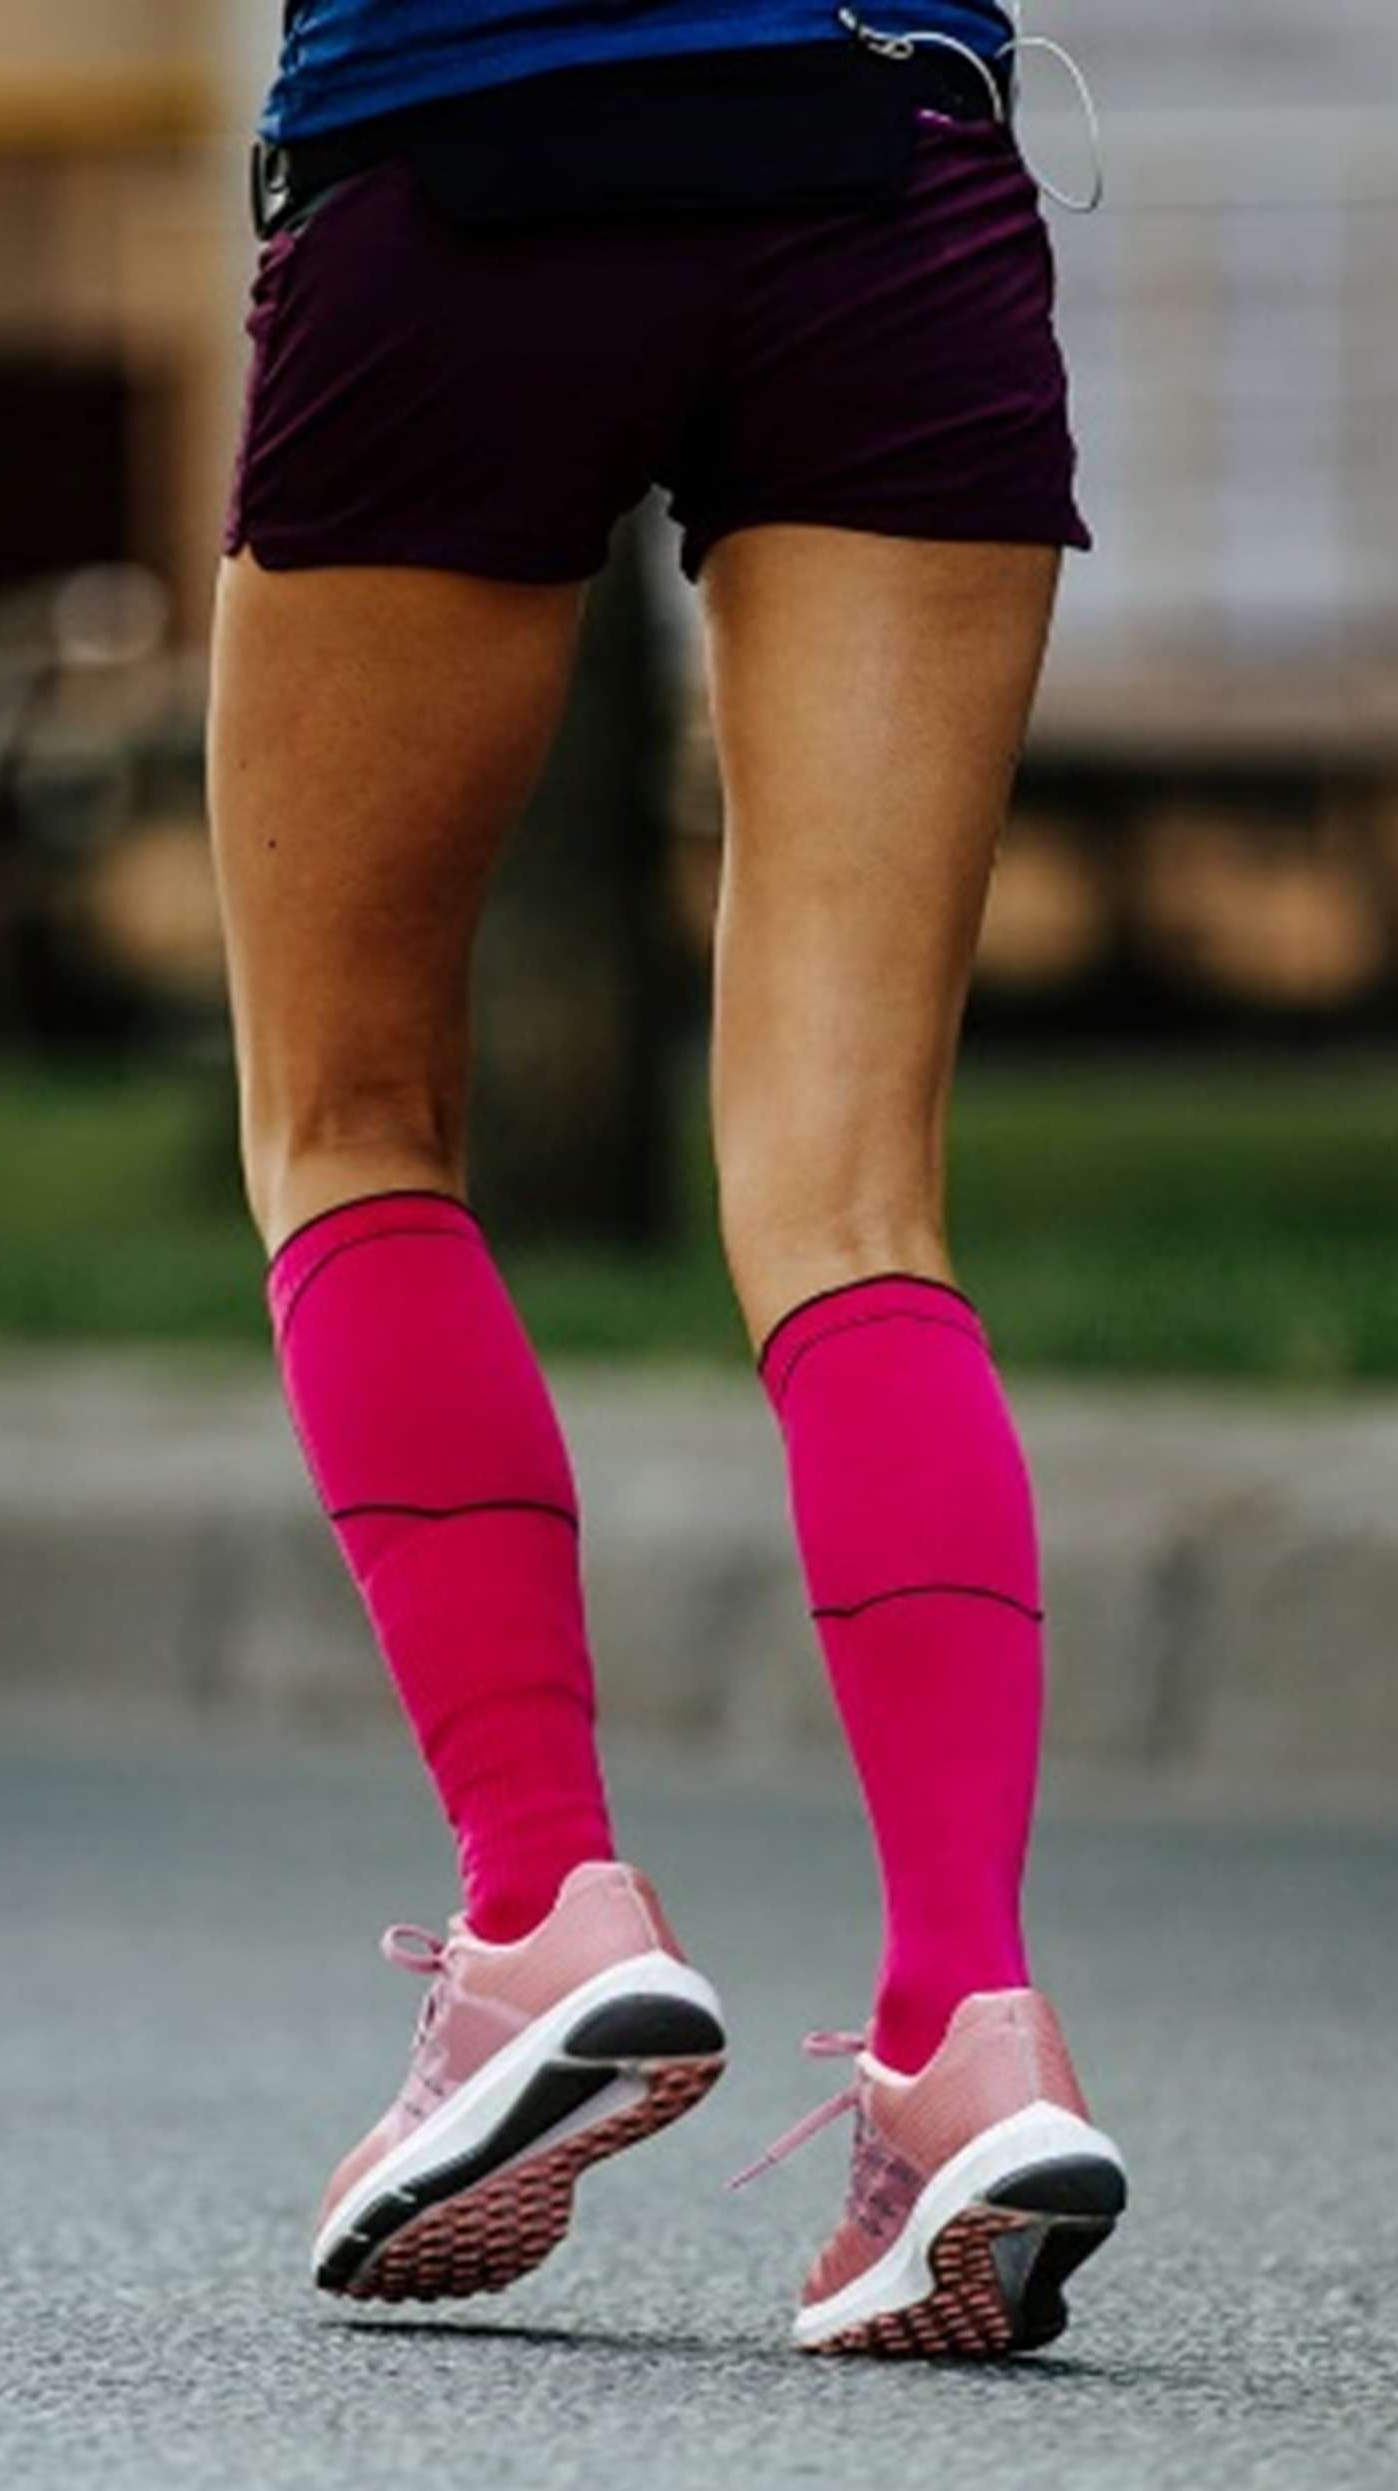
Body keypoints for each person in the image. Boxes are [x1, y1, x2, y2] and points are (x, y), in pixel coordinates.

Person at [220, 0, 1129, 2355]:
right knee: (850, 1203)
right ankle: (969, 2035)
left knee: (347, 1117)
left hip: (460, 146)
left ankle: (545, 1900)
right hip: (885, 167)